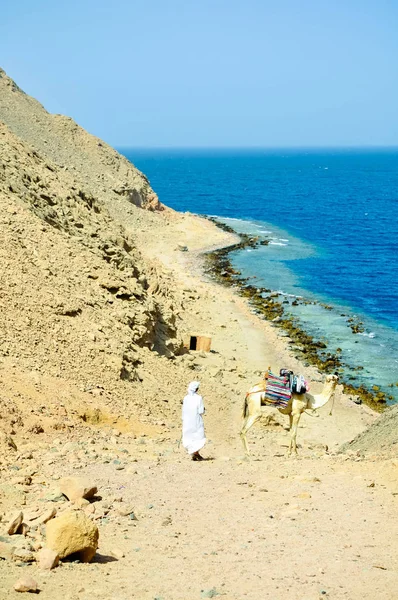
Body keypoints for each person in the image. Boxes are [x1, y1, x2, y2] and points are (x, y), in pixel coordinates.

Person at [182, 381, 206, 461]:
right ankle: (196, 454)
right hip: (196, 420)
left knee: (189, 436)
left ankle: (194, 454)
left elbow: (184, 411)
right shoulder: (198, 398)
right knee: (198, 436)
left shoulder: (186, 398)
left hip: (187, 421)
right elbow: (201, 411)